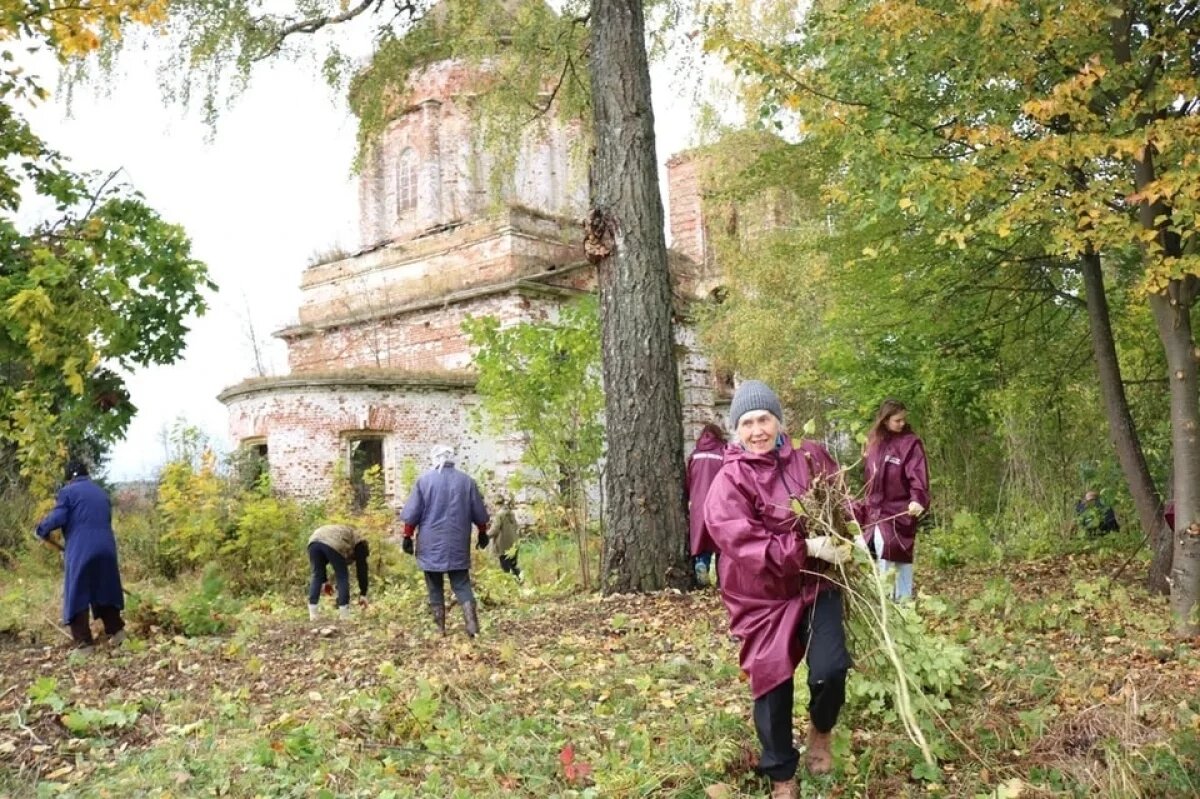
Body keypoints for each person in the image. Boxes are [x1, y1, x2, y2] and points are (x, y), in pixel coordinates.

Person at [704, 380, 853, 798]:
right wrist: (805, 546)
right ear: (736, 429)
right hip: (760, 594)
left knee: (830, 669)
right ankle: (781, 773)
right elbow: (743, 543)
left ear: (778, 421)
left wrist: (851, 535)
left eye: (763, 419)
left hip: (815, 582)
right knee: (771, 684)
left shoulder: (810, 457)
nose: (757, 431)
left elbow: (843, 500)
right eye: (747, 423)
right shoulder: (729, 481)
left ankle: (821, 730)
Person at [35, 459, 127, 652]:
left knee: (76, 592)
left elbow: (59, 517)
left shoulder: (67, 492)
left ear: (69, 479)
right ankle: (117, 632)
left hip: (81, 550)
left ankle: (85, 644)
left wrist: (42, 530)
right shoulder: (101, 492)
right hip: (107, 548)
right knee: (105, 588)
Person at [401, 445, 490, 636]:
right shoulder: (467, 482)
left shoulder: (424, 481)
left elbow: (412, 514)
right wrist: (482, 532)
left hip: (430, 544)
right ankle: (472, 626)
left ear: (434, 458)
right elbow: (480, 514)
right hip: (458, 542)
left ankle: (439, 629)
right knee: (462, 583)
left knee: (434, 585)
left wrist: (406, 536)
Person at [861, 399, 929, 601]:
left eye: (903, 420)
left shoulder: (910, 444)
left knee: (901, 557)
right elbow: (869, 477)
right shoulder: (874, 442)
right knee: (881, 552)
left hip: (901, 510)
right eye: (897, 420)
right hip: (875, 512)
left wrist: (918, 498)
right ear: (885, 420)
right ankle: (884, 601)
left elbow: (918, 474)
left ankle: (904, 602)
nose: (901, 423)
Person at [686, 422, 726, 586]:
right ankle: (722, 577)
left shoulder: (695, 454)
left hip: (698, 504)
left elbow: (688, 480)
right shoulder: (723, 452)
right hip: (720, 503)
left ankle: (701, 563)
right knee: (722, 542)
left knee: (701, 538)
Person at [306, 523, 370, 620]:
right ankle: (344, 614)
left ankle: (313, 614)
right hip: (332, 542)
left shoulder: (348, 536)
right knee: (342, 576)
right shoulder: (360, 544)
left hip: (313, 542)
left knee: (316, 574)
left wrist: (325, 581)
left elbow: (321, 565)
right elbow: (362, 569)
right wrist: (363, 593)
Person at [489, 495, 522, 581]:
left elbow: (495, 529)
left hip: (504, 546)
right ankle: (520, 582)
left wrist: (485, 536)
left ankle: (511, 588)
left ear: (496, 504)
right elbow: (516, 526)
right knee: (514, 566)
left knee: (505, 569)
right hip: (514, 544)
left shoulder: (499, 515)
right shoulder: (511, 513)